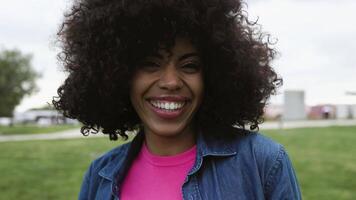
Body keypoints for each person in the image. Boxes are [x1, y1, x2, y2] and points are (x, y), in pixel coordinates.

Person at [53, 0, 302, 199]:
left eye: (190, 65)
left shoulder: (262, 162)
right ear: (119, 74)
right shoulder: (100, 176)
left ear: (213, 75)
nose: (171, 81)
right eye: (150, 64)